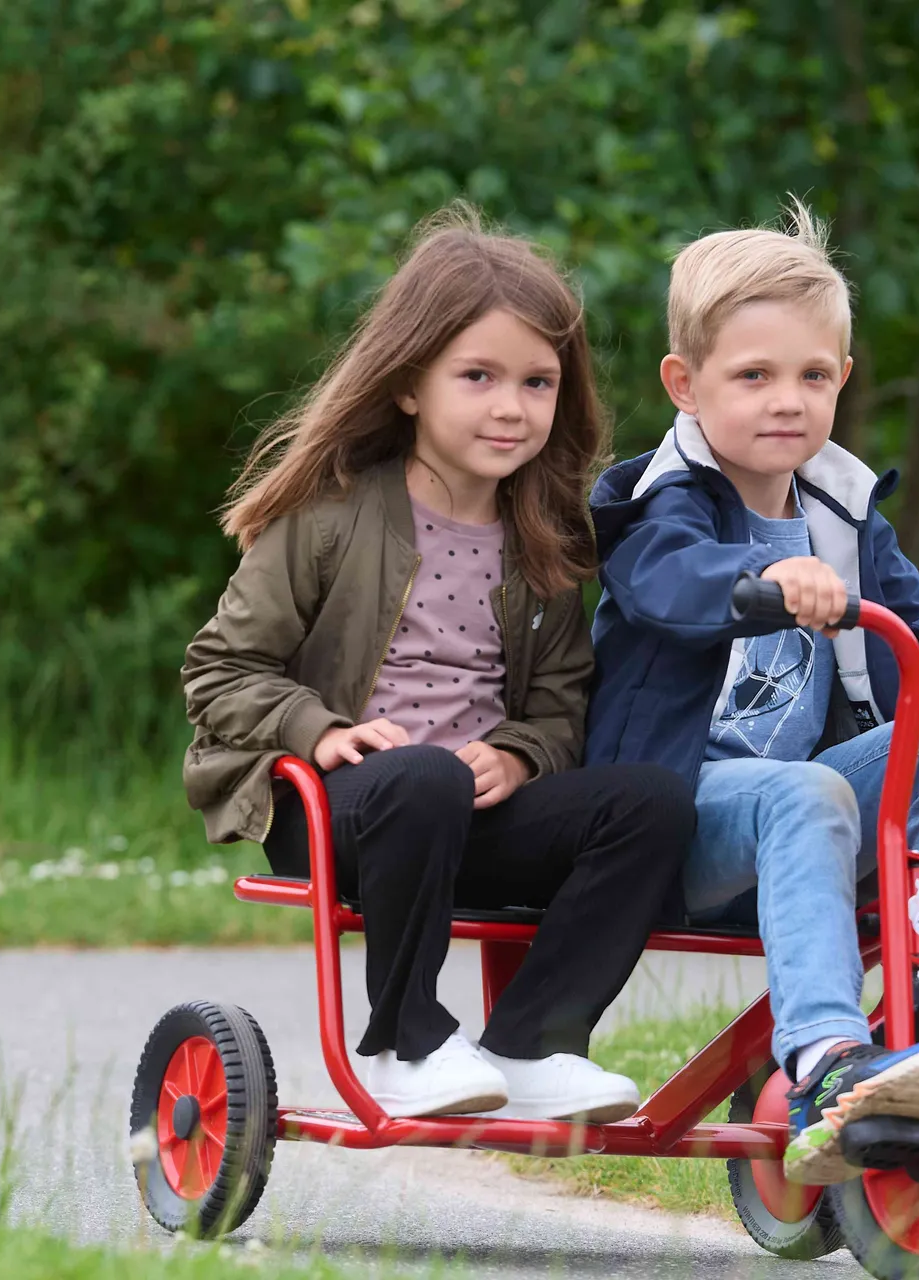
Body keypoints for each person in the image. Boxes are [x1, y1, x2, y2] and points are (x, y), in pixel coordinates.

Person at [584, 200, 919, 1183]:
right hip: (666, 815)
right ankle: (825, 1058)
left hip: (797, 818)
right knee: (807, 788)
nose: (787, 400)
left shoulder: (842, 511)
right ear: (685, 385)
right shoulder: (657, 502)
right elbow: (666, 583)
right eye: (754, 376)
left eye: (813, 375)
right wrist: (761, 580)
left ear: (844, 379)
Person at [182, 209, 693, 1124]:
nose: (511, 407)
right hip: (340, 810)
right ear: (410, 383)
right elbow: (221, 670)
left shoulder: (543, 538)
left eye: (537, 382)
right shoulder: (331, 517)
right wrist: (318, 730)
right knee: (421, 777)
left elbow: (561, 702)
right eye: (478, 376)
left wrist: (521, 754)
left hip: (475, 815)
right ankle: (405, 1043)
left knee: (651, 803)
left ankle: (533, 1043)